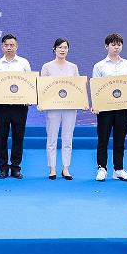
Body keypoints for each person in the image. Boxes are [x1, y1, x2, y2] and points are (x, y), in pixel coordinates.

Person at [92, 33, 127, 182]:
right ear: (106, 46)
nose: (116, 47)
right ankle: (102, 168)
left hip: (122, 107)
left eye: (119, 45)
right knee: (103, 139)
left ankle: (118, 169)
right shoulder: (99, 66)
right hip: (105, 108)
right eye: (113, 45)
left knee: (120, 139)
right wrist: (96, 105)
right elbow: (95, 87)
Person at [39, 38, 87, 181]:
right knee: (51, 138)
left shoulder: (73, 67)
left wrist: (83, 102)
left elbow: (79, 87)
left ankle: (66, 168)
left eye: (65, 47)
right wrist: (41, 103)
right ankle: (52, 168)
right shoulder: (47, 66)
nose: (62, 50)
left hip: (70, 108)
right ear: (54, 49)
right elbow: (42, 87)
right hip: (53, 108)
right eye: (60, 47)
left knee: (67, 138)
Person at [0, 34, 31, 179]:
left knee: (18, 137)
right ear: (2, 47)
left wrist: (29, 98)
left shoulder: (24, 63)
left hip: (20, 106)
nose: (9, 48)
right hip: (2, 106)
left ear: (17, 47)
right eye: (6, 45)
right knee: (1, 138)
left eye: (12, 45)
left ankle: (15, 168)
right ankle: (3, 168)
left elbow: (29, 84)